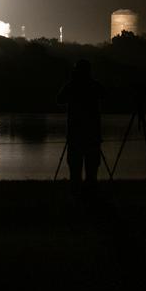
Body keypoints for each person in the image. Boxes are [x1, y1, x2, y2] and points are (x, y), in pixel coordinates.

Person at [57, 59, 104, 196]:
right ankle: (90, 195)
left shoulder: (72, 86)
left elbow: (59, 99)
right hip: (92, 134)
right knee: (91, 169)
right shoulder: (94, 85)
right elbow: (106, 94)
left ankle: (76, 195)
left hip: (75, 134)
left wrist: (71, 83)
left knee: (75, 169)